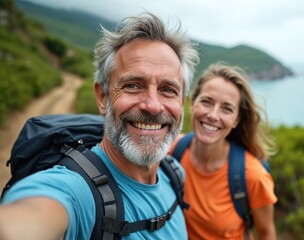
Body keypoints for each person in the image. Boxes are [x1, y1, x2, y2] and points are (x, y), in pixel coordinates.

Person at [0, 12, 199, 240]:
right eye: (133, 85)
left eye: (168, 89)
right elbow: (29, 220)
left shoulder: (174, 173)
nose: (153, 106)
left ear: (181, 103)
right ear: (103, 97)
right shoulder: (75, 192)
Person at [169, 63, 278, 239]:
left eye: (227, 108)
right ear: (192, 104)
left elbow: (266, 233)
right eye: (206, 102)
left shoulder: (252, 176)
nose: (213, 115)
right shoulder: (172, 149)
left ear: (236, 120)